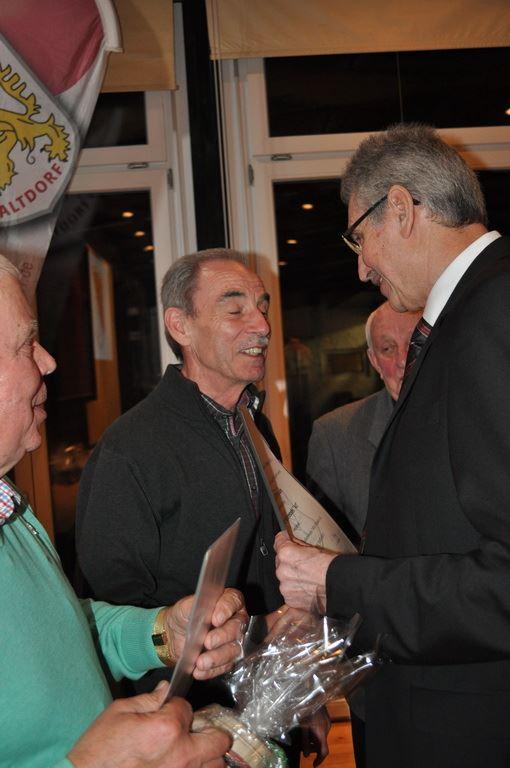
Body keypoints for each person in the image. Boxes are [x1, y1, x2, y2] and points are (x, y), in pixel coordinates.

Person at [274, 123, 510, 767]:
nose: (361, 266)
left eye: (359, 237)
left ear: (401, 209)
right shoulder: (469, 312)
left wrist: (337, 582)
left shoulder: (493, 313)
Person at [76, 249, 329, 764]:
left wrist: (302, 693)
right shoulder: (130, 449)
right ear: (180, 326)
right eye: (235, 309)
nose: (262, 325)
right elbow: (115, 617)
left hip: (269, 716)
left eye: (262, 307)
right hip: (191, 735)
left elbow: (269, 567)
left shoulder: (254, 425)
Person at [0, 255, 248, 768]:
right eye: (26, 343)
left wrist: (163, 633)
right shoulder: (131, 449)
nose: (48, 361)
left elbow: (66, 630)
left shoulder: (12, 509)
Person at [307, 301, 420, 539]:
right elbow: (325, 544)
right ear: (374, 361)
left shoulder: (472, 415)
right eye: (387, 349)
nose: (403, 360)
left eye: (413, 343)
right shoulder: (333, 436)